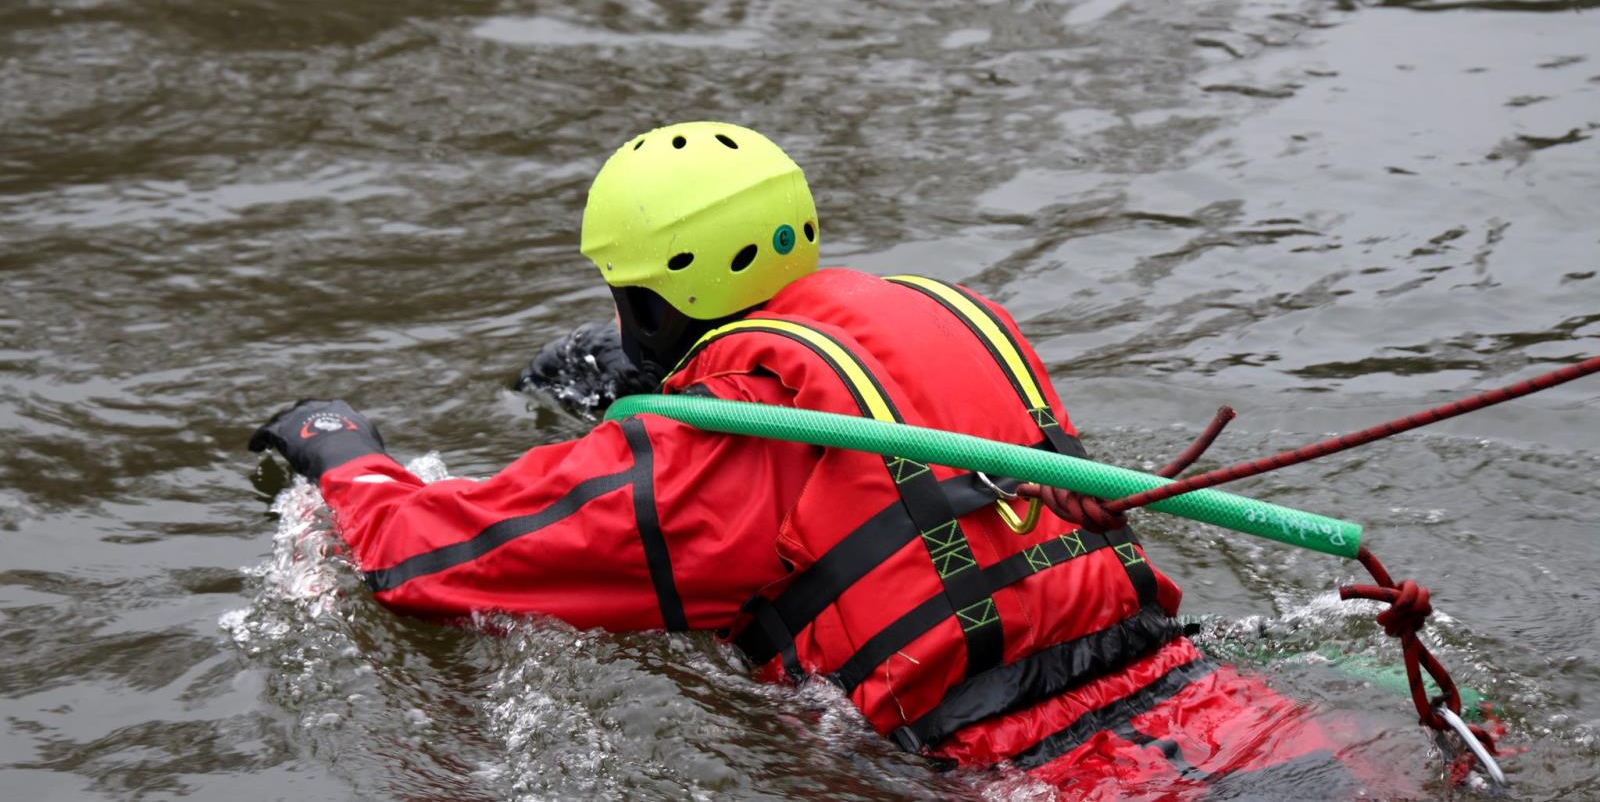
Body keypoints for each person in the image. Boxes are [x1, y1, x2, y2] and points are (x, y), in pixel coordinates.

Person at [249, 122, 1390, 797]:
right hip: (1226, 706)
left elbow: (430, 564)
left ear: (643, 299)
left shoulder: (714, 448)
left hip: (1008, 769)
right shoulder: (955, 318)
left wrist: (344, 457)